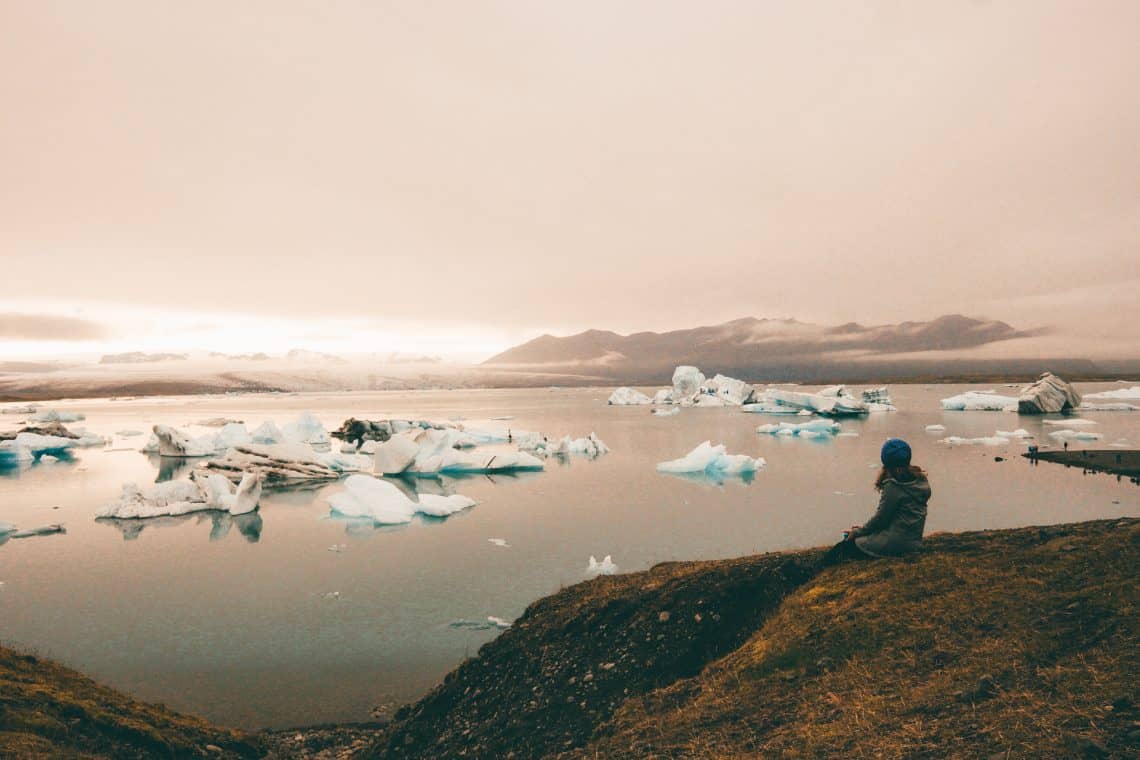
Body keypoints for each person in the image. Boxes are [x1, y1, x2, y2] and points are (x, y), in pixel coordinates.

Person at [821, 438, 931, 567]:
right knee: (854, 542)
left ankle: (812, 572)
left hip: (895, 544)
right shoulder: (920, 480)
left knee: (844, 548)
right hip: (913, 542)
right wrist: (863, 530)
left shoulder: (894, 486)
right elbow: (895, 518)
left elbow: (881, 519)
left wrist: (857, 532)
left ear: (886, 460)